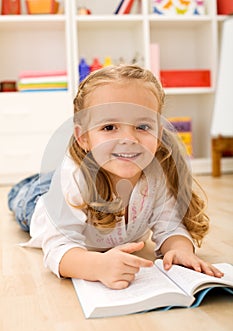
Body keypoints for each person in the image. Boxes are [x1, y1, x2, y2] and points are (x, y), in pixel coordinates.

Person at [8, 65, 223, 289]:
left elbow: (170, 227)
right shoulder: (73, 178)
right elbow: (58, 247)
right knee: (24, 195)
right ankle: (34, 184)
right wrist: (97, 265)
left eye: (142, 126)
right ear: (83, 137)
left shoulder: (156, 174)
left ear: (159, 134)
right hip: (37, 203)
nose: (129, 139)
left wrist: (180, 250)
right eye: (109, 127)